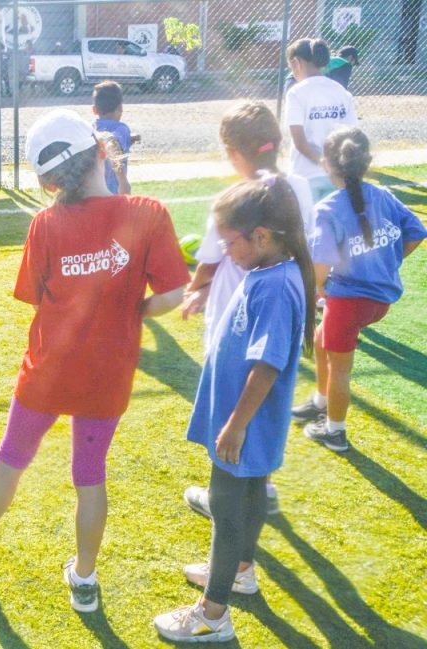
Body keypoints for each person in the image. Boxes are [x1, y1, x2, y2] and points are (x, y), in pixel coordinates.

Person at [0, 109, 190, 612]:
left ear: (49, 182)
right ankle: (84, 579)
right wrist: (135, 310)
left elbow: (35, 296)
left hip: (48, 370)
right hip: (108, 374)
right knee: (90, 473)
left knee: (11, 458)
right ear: (102, 150)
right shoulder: (148, 212)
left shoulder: (45, 223)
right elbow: (174, 293)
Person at [154, 174, 316, 643]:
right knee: (251, 495)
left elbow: (267, 365)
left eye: (229, 243)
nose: (225, 251)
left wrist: (236, 425)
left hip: (246, 425)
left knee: (225, 510)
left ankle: (212, 616)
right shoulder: (270, 272)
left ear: (261, 236)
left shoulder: (275, 286)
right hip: (247, 423)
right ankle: (241, 571)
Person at [180, 102, 314, 517]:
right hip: (276, 313)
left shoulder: (236, 202)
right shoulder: (297, 188)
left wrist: (196, 289)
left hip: (236, 317)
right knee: (261, 404)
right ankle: (260, 486)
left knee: (234, 407)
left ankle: (226, 500)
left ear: (235, 152)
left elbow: (209, 259)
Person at [292, 127, 426, 451]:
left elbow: (320, 269)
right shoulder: (383, 195)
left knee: (340, 370)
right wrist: (387, 263)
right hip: (378, 301)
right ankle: (321, 400)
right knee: (321, 338)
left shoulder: (327, 209)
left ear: (326, 164)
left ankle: (334, 432)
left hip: (348, 303)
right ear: (367, 162)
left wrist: (318, 290)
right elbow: (417, 231)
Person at [284, 37, 358, 202]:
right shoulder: (341, 92)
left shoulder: (295, 93)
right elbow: (352, 137)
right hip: (337, 176)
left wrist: (322, 161)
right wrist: (336, 166)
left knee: (306, 219)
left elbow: (299, 142)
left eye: (290, 66)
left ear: (297, 63)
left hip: (305, 176)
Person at [92, 80, 136, 195]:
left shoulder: (92, 129)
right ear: (120, 108)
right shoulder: (122, 129)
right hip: (114, 192)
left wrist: (130, 139)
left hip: (93, 192)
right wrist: (123, 181)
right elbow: (112, 143)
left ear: (94, 110)